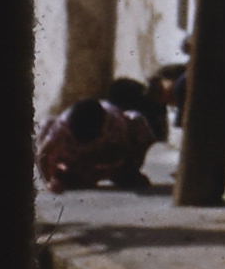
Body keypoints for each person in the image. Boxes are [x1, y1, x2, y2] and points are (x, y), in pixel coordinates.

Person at [37, 79, 170, 193]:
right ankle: (72, 176)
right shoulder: (61, 126)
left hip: (105, 159)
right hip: (76, 160)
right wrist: (49, 181)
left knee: (137, 120)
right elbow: (43, 154)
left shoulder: (116, 125)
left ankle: (126, 173)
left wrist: (115, 168)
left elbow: (121, 154)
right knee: (45, 124)